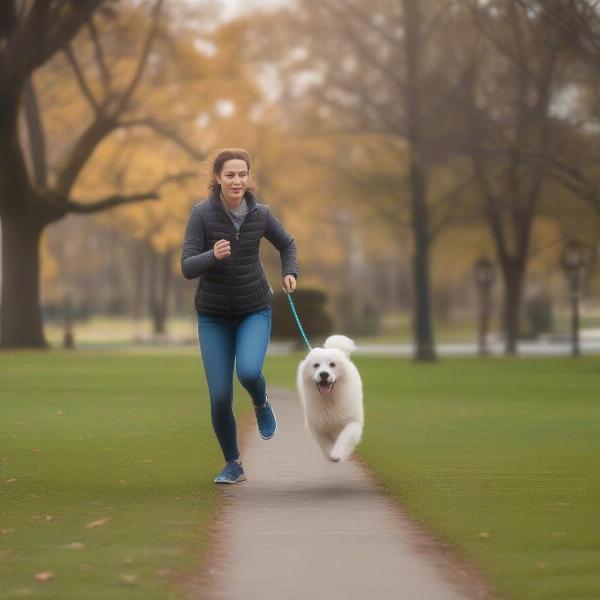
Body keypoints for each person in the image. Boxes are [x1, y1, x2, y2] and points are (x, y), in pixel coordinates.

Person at [181, 148, 298, 484]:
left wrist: (290, 272)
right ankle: (233, 463)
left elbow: (287, 244)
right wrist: (212, 255)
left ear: (249, 178)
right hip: (213, 316)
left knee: (248, 371)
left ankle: (261, 403)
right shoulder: (201, 215)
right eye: (230, 174)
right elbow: (187, 266)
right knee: (219, 396)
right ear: (217, 177)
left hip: (253, 309)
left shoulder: (261, 214)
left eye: (242, 174)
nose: (237, 181)